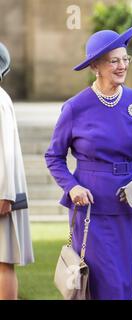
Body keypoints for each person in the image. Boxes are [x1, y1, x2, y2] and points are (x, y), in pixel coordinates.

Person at [45, 26, 132, 300]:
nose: (122, 66)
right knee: (109, 289)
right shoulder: (75, 107)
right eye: (114, 60)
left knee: (127, 285)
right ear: (96, 65)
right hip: (92, 210)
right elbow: (54, 156)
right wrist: (72, 187)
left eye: (125, 59)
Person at [0, 42, 34, 300]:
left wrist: (5, 193)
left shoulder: (0, 100)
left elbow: (6, 149)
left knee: (3, 260)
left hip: (2, 193)